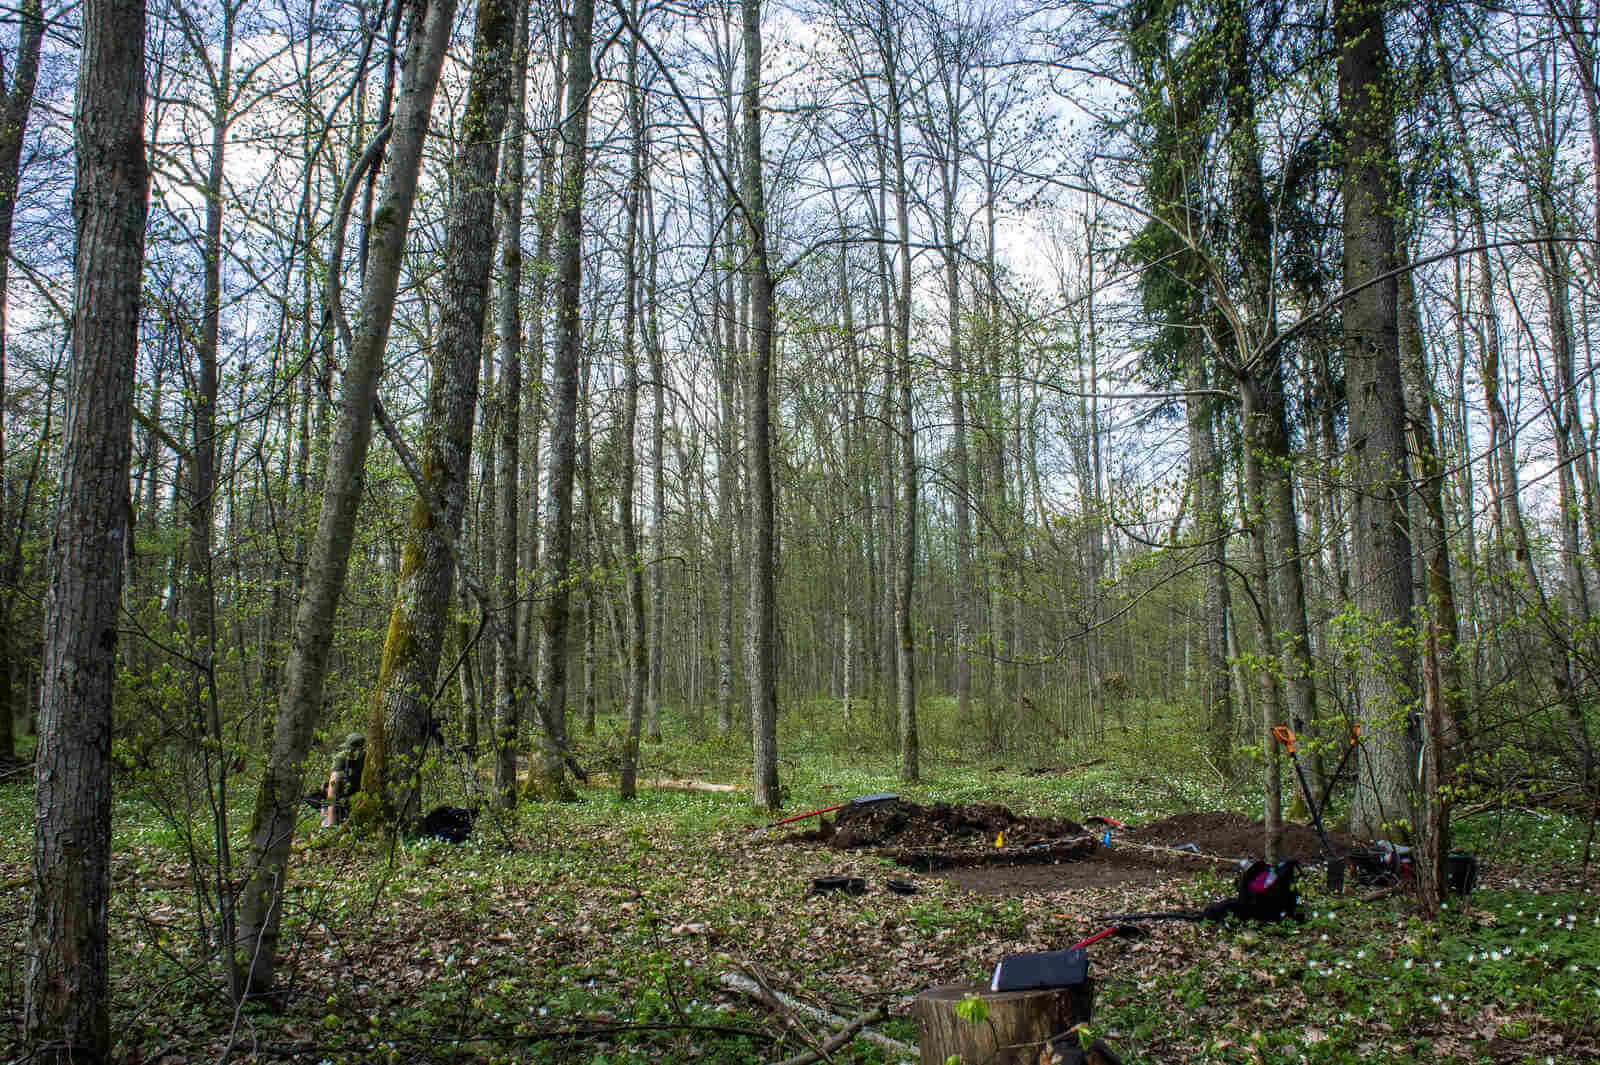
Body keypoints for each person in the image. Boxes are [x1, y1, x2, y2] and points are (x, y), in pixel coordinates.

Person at [323, 733, 365, 827]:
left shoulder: (367, 758)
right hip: (340, 796)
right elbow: (332, 788)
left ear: (361, 749)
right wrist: (331, 821)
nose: (349, 752)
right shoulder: (341, 758)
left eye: (353, 750)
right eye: (348, 749)